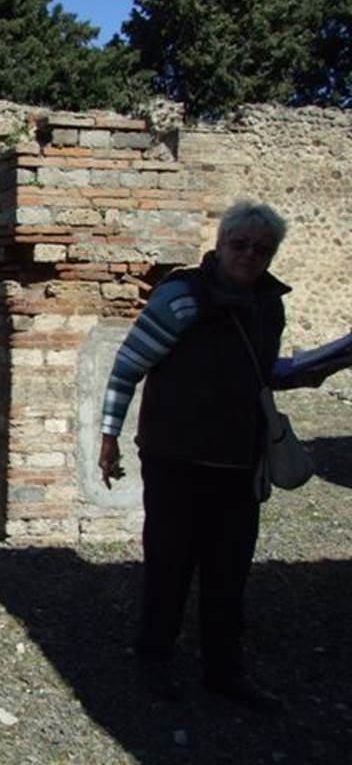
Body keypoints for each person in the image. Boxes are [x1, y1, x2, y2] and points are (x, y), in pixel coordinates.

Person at [98, 200, 345, 713]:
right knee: (169, 566)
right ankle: (154, 659)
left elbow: (257, 372)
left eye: (262, 249)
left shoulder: (268, 304)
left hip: (239, 462)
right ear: (220, 242)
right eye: (240, 244)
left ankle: (224, 671)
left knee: (229, 572)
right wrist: (108, 438)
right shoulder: (181, 299)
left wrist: (315, 367)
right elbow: (126, 368)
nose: (250, 255)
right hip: (176, 460)